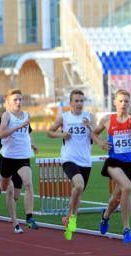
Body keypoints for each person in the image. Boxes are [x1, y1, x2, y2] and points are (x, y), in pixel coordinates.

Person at [92, 89, 131, 244]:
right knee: (127, 188)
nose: (123, 104)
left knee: (116, 199)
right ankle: (127, 229)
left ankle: (105, 216)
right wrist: (100, 143)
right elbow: (94, 133)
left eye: (126, 101)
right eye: (120, 101)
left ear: (130, 103)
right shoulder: (107, 120)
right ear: (114, 102)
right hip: (114, 163)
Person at [47, 89, 95, 240]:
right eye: (76, 101)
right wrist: (62, 134)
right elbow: (49, 132)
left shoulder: (89, 116)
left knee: (79, 192)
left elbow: (97, 136)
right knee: (79, 185)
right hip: (69, 158)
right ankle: (71, 217)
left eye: (81, 101)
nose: (79, 103)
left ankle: (70, 218)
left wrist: (90, 127)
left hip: (85, 160)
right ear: (70, 103)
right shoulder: (64, 117)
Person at [0, 88, 39, 233]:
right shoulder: (6, 116)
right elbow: (2, 134)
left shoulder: (27, 115)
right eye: (15, 100)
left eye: (20, 99)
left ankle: (28, 217)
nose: (18, 102)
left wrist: (32, 144)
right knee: (5, 187)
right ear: (9, 103)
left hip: (23, 157)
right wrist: (18, 126)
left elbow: (27, 133)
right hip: (8, 158)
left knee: (28, 183)